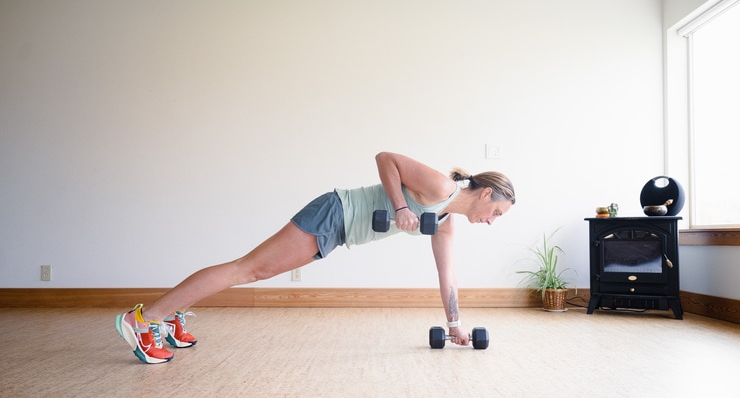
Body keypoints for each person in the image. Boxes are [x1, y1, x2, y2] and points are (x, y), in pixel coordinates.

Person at [116, 152, 516, 363]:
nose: (492, 221)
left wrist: (455, 324)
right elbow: (385, 157)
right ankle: (144, 318)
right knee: (249, 269)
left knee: (250, 270)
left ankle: (168, 315)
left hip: (338, 232)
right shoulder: (441, 187)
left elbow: (447, 276)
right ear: (485, 194)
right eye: (497, 212)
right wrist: (399, 207)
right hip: (334, 212)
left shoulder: (444, 222)